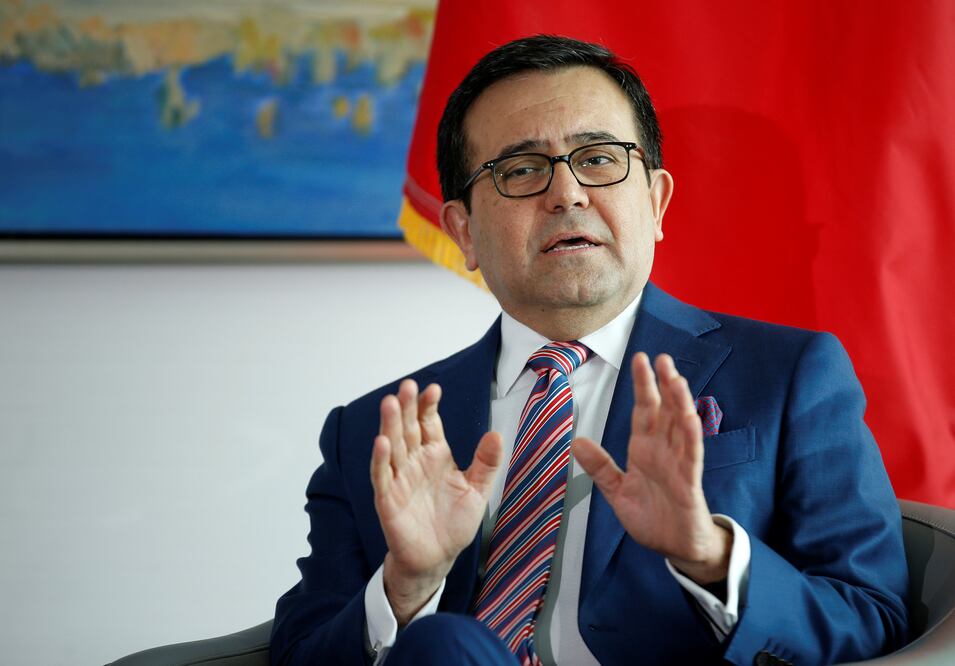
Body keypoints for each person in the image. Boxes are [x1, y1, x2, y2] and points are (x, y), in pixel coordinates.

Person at [270, 35, 908, 666]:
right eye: (521, 170)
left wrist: (707, 553)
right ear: (463, 230)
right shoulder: (378, 433)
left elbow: (873, 620)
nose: (568, 194)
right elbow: (297, 657)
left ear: (655, 202)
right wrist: (404, 587)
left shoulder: (789, 377)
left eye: (599, 159)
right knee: (442, 645)